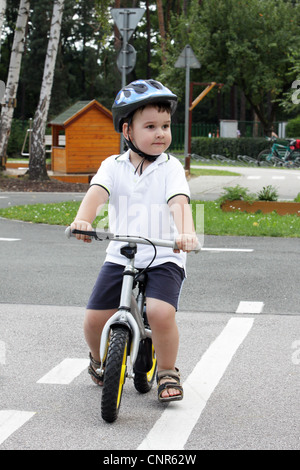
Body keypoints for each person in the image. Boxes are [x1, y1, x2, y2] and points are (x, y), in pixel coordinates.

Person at [71, 79, 199, 402]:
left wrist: (186, 231)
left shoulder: (171, 169)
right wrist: (84, 219)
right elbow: (97, 194)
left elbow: (178, 202)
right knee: (94, 319)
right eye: (151, 126)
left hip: (164, 253)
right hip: (122, 252)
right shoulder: (112, 167)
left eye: (166, 126)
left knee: (159, 312)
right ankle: (99, 360)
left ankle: (167, 370)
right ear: (127, 131)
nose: (161, 134)